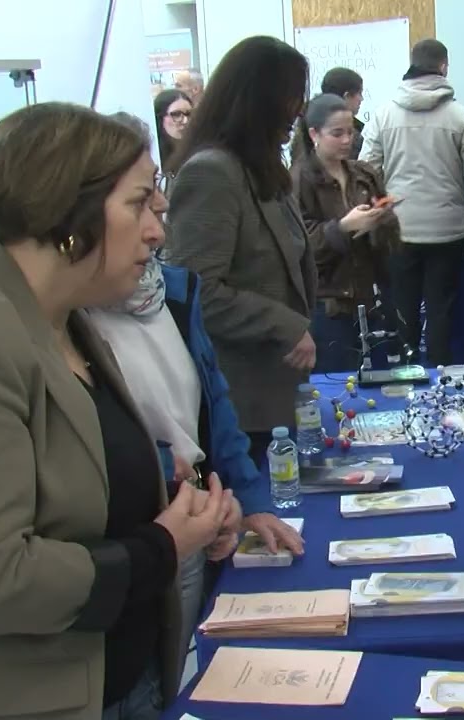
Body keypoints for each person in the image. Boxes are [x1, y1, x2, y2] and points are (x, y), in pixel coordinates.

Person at [0, 103, 238, 720]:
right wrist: (164, 545)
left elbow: (75, 491)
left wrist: (185, 510)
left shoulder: (69, 324)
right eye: (139, 203)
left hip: (123, 679)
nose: (157, 231)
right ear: (68, 213)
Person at [85, 109, 306, 664]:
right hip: (130, 551)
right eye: (142, 199)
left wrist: (248, 500)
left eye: (157, 191)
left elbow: (213, 408)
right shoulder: (70, 321)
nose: (161, 215)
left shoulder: (174, 292)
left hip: (192, 533)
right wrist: (178, 481)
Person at [164, 36, 316, 460]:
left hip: (276, 393)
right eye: (291, 97)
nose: (298, 111)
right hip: (241, 404)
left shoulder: (261, 167)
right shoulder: (212, 174)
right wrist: (284, 324)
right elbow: (197, 289)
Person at [360, 38, 464, 365]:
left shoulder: (383, 115)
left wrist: (382, 210)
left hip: (399, 229)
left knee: (402, 309)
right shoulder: (461, 116)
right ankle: (440, 376)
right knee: (441, 311)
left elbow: (366, 171)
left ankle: (405, 375)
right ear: (443, 67)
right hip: (448, 230)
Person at [292, 93, 401, 372]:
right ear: (314, 134)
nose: (346, 140)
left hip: (371, 297)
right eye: (337, 133)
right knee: (337, 382)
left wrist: (382, 219)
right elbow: (298, 248)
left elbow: (390, 243)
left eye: (350, 132)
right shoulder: (298, 180)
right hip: (328, 304)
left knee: (382, 383)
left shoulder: (363, 174)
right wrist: (343, 227)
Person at [321, 67, 367, 157]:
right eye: (359, 93)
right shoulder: (351, 138)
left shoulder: (307, 125)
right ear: (347, 96)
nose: (361, 99)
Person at [153, 89, 193, 172]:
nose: (185, 121)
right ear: (160, 117)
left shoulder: (200, 149)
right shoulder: (154, 155)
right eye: (177, 114)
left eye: (189, 114)